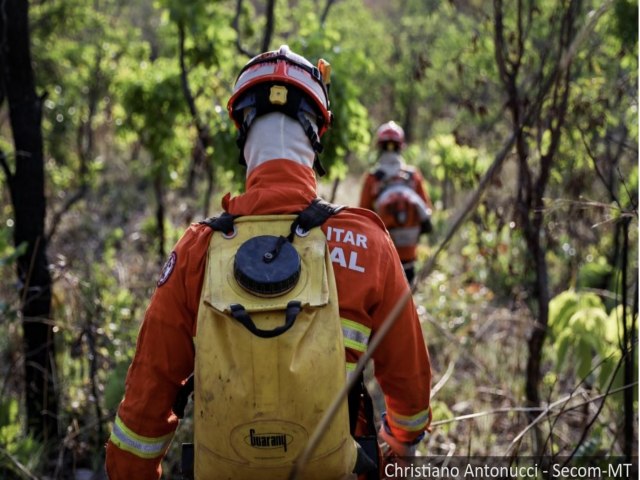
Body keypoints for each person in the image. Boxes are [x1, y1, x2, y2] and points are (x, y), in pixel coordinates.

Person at [105, 45, 431, 479]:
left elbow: (144, 409)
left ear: (242, 133)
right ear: (317, 134)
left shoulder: (197, 250)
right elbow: (410, 396)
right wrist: (396, 450)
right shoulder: (366, 242)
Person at [359, 121, 434, 285]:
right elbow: (427, 211)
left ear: (379, 146)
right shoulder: (413, 176)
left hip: (383, 255)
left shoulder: (372, 179)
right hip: (409, 255)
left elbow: (363, 217)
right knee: (407, 301)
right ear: (401, 146)